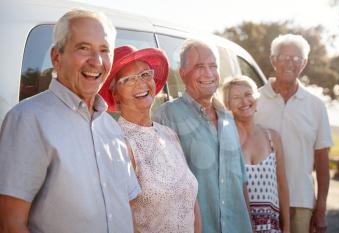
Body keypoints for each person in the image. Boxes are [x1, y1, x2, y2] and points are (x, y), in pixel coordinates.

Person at [0, 9, 140, 233]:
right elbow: (10, 224)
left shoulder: (112, 129)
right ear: (56, 57)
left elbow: (128, 213)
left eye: (104, 50)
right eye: (83, 48)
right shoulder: (27, 119)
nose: (96, 61)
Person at [153, 39, 253, 233]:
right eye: (199, 66)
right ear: (182, 73)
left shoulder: (228, 119)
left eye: (213, 66)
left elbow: (242, 184)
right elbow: (162, 192)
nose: (208, 73)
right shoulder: (166, 116)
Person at [99, 45, 200, 233]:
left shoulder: (169, 134)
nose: (141, 84)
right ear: (115, 93)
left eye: (145, 74)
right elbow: (123, 224)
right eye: (128, 80)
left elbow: (192, 201)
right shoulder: (119, 144)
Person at [254, 34, 333, 233]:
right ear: (273, 60)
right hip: (261, 198)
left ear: (304, 63)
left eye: (296, 58)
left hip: (301, 202)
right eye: (283, 57)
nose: (290, 63)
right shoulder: (254, 99)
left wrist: (321, 208)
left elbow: (322, 159)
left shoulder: (316, 106)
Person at [222, 75, 290, 233]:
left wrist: (287, 227)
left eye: (248, 94)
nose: (244, 102)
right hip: (237, 226)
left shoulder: (272, 137)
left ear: (256, 98)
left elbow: (282, 184)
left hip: (270, 227)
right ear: (228, 104)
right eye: (236, 97)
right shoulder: (224, 138)